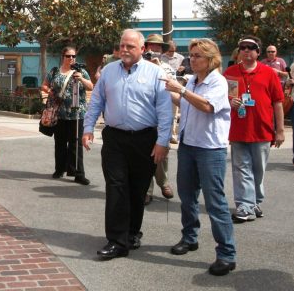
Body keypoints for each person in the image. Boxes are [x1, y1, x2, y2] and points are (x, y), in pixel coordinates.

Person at [82, 29, 173, 259]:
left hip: (145, 140)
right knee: (116, 187)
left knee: (138, 189)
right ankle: (116, 241)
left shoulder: (155, 73)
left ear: (142, 49)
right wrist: (87, 128)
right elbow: (96, 102)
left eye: (130, 46)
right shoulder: (109, 72)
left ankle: (132, 232)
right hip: (115, 139)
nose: (124, 50)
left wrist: (163, 142)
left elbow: (164, 111)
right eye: (122, 45)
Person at [163, 38, 237, 277]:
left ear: (211, 59)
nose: (192, 60)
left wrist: (181, 90)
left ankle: (226, 254)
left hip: (210, 149)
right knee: (187, 197)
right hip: (188, 145)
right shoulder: (193, 80)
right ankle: (189, 237)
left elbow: (206, 107)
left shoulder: (218, 81)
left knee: (215, 203)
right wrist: (170, 93)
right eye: (191, 55)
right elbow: (187, 103)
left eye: (197, 56)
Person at [224, 36, 284, 223]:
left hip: (262, 130)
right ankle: (245, 205)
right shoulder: (230, 73)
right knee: (241, 169)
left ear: (258, 52)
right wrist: (229, 101)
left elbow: (278, 103)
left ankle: (255, 201)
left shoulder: (269, 73)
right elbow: (222, 98)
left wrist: (280, 130)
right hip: (238, 129)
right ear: (239, 51)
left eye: (251, 48)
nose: (246, 50)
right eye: (243, 47)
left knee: (258, 170)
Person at [41, 46, 93, 185]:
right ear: (62, 57)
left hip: (77, 114)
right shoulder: (54, 71)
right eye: (68, 56)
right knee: (60, 143)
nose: (71, 59)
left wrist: (81, 78)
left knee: (76, 144)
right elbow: (44, 85)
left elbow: (91, 86)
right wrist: (49, 90)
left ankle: (78, 173)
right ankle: (60, 169)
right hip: (59, 114)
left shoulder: (81, 71)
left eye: (73, 56)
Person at [144, 34, 175, 203]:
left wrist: (158, 69)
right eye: (151, 46)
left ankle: (163, 182)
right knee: (145, 153)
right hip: (144, 116)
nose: (154, 50)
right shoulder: (138, 66)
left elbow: (173, 86)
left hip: (163, 116)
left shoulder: (167, 67)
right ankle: (147, 189)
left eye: (157, 47)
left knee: (162, 150)